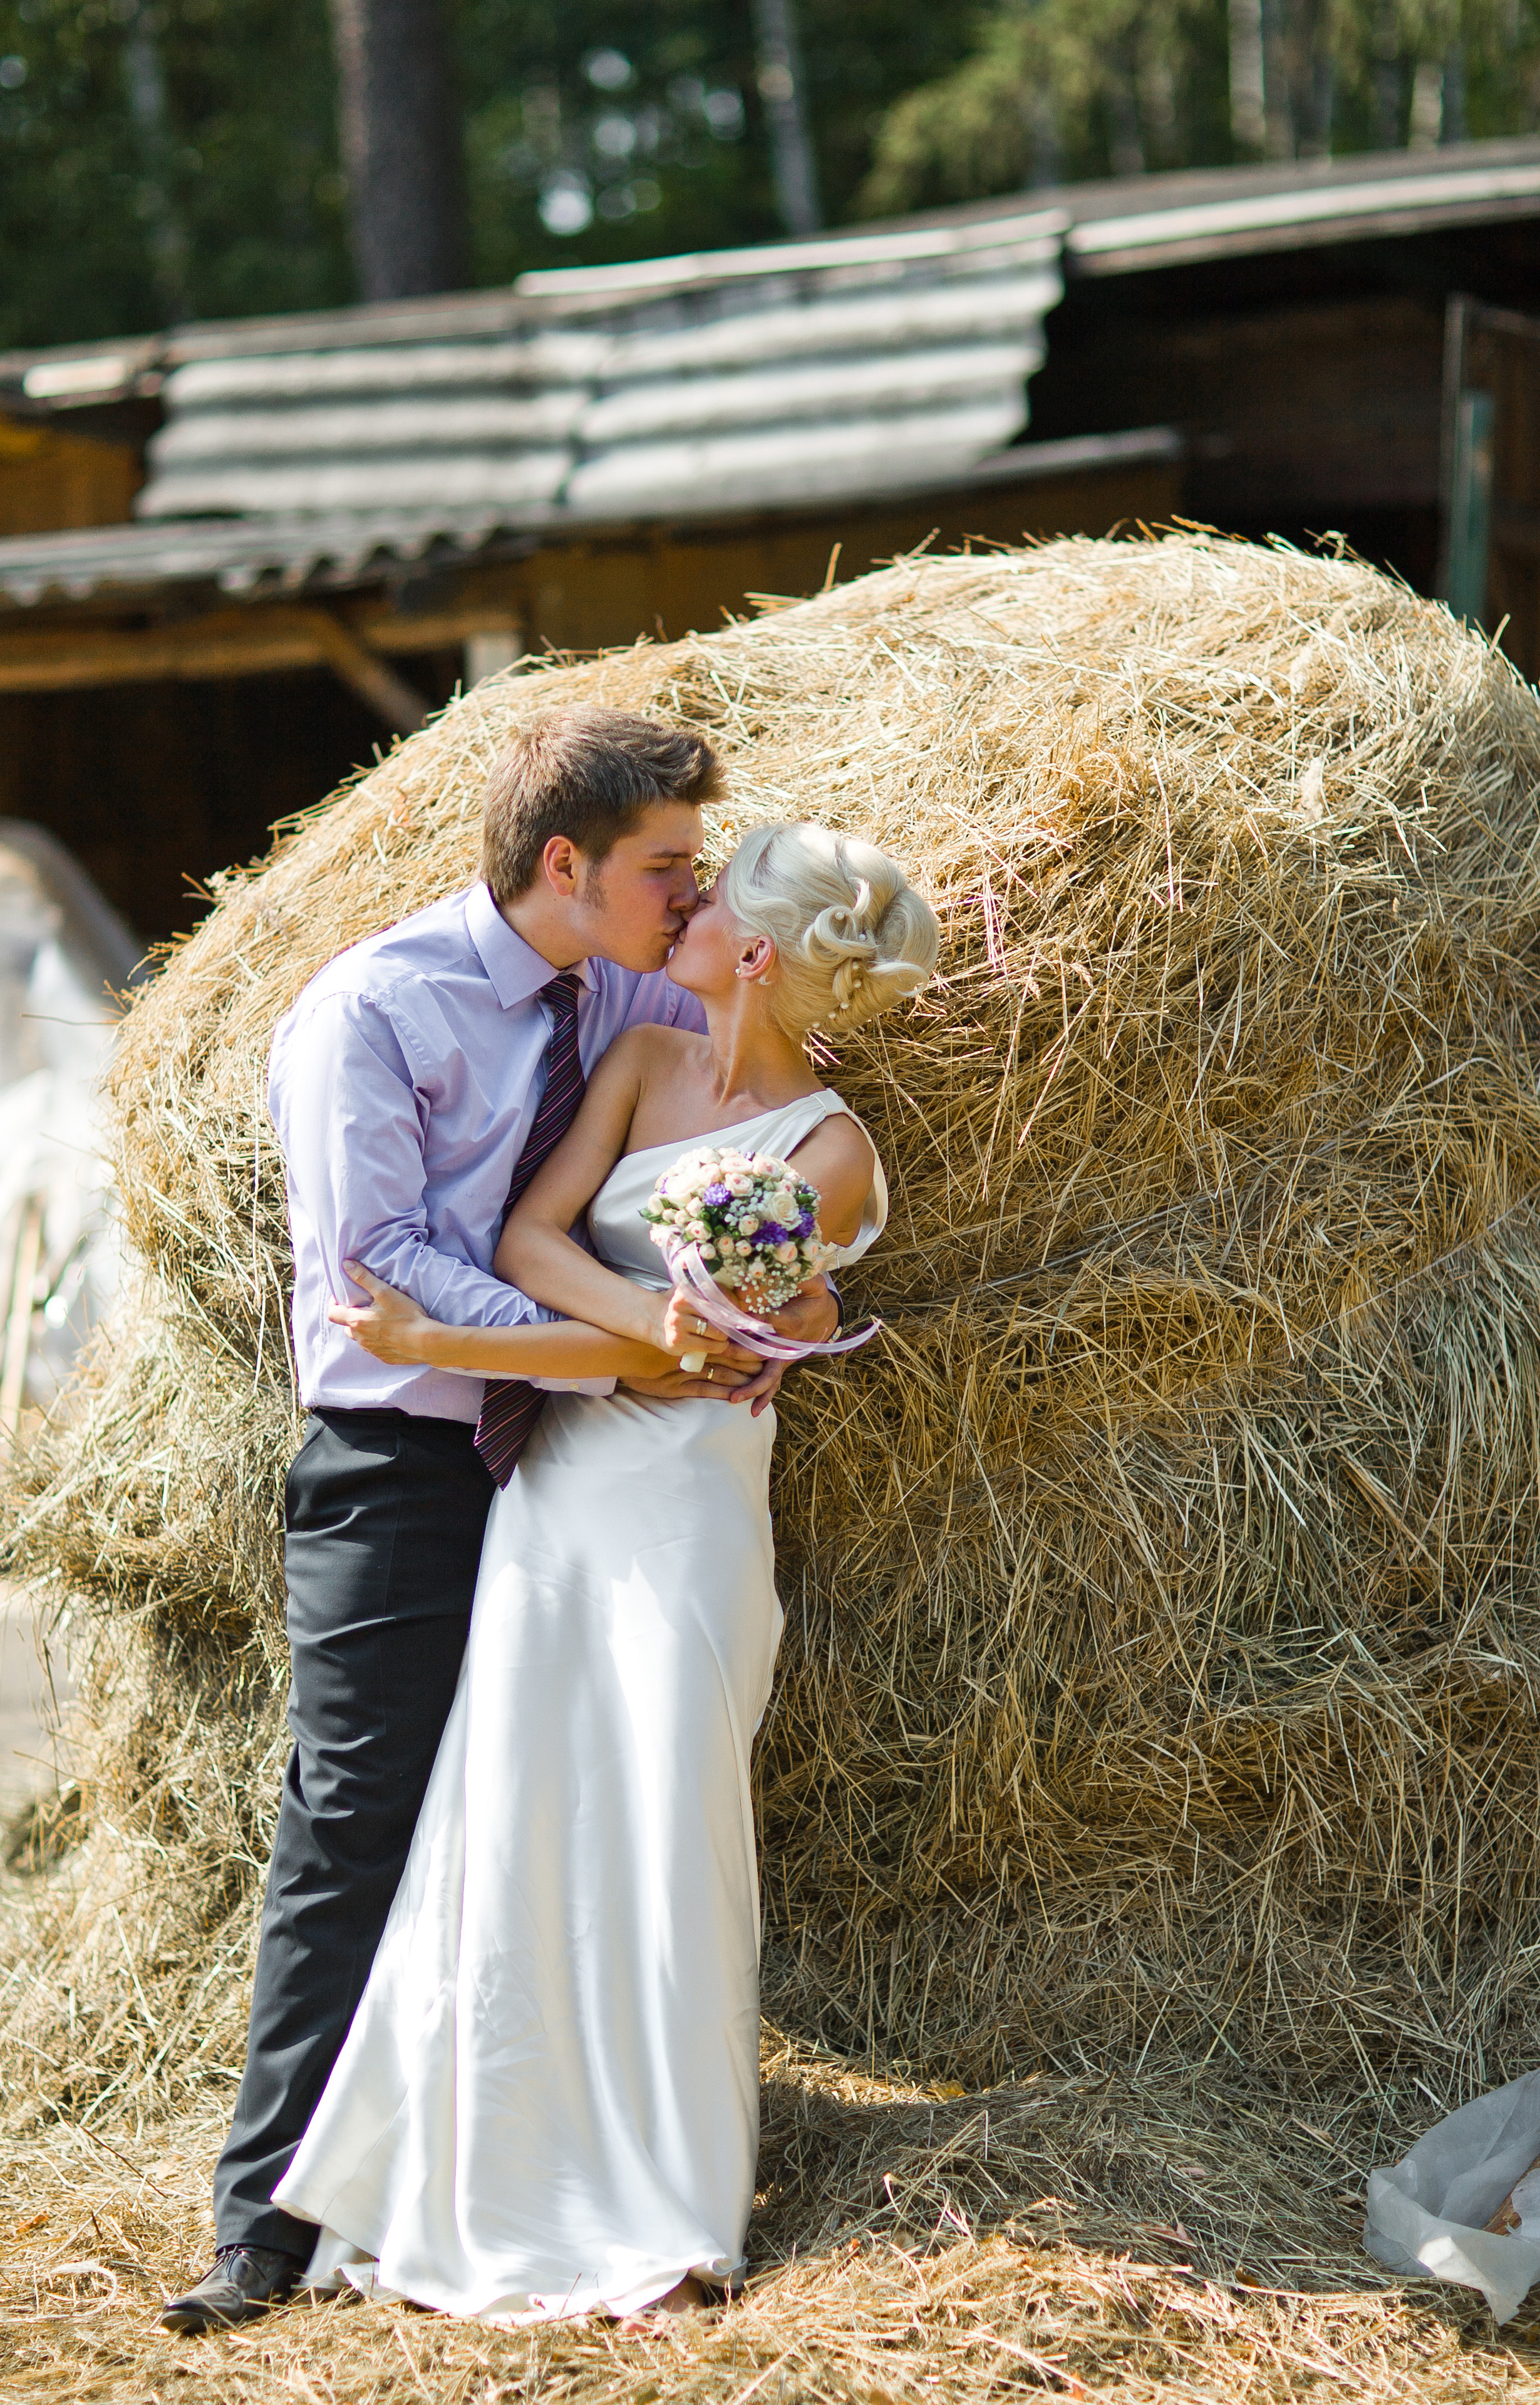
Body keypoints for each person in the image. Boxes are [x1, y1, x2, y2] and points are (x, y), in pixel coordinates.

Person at [160, 708, 842, 2336]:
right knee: (358, 1825)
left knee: (530, 1828)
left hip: (576, 1480)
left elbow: (765, 1066)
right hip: (400, 1468)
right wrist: (640, 1349)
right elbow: (388, 1273)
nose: (689, 899)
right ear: (566, 864)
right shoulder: (372, 1012)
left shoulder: (622, 995)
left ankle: (524, 2160)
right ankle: (265, 2220)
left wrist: (773, 1292)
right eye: (667, 869)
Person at [259, 820, 940, 2322]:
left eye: (709, 901)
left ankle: (665, 2199)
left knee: (659, 1825)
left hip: (682, 1512)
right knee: (517, 1815)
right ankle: (483, 2165)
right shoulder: (637, 1067)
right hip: (557, 1491)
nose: (681, 909)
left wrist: (454, 1343)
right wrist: (631, 1324)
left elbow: (700, 1366)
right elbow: (535, 1240)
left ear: (752, 955)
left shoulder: (822, 1154)